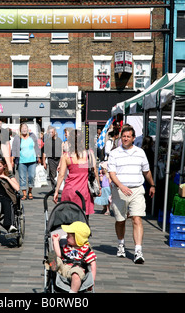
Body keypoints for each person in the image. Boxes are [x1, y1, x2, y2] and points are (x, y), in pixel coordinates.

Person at [107, 125, 155, 264]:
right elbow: (112, 173)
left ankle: (138, 251)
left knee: (137, 219)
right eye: (124, 136)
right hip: (119, 190)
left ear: (133, 138)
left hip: (137, 189)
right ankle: (121, 244)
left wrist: (152, 184)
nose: (126, 139)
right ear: (120, 137)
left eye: (128, 136)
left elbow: (146, 171)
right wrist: (121, 186)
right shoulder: (114, 153)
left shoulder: (140, 152)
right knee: (120, 220)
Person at [53, 130, 99, 218]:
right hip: (84, 191)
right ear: (82, 141)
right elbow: (95, 171)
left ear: (69, 142)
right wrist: (98, 187)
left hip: (70, 190)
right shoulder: (89, 154)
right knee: (84, 220)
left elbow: (61, 175)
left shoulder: (66, 156)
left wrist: (56, 191)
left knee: (69, 221)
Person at [47, 221, 97, 293]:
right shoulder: (67, 246)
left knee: (76, 274)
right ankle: (53, 267)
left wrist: (92, 280)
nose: (66, 237)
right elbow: (59, 254)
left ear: (77, 238)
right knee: (55, 257)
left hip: (77, 269)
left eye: (68, 236)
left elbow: (93, 264)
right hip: (64, 267)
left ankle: (73, 291)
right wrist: (55, 241)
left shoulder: (85, 249)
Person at [12, 123, 41, 200]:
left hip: (32, 160)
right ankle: (24, 194)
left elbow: (36, 147)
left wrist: (39, 156)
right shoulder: (17, 138)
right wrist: (12, 159)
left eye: (25, 128)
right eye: (23, 128)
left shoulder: (32, 136)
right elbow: (14, 149)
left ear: (27, 129)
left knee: (31, 176)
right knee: (22, 177)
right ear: (20, 130)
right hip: (22, 161)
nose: (24, 129)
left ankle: (30, 191)